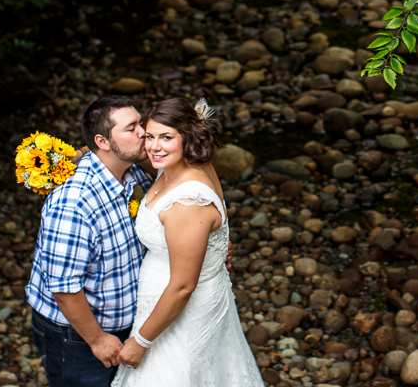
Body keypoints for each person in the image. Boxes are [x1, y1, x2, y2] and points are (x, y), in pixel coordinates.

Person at [111, 98, 264, 387]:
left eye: (166, 138)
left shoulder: (188, 200)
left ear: (188, 138)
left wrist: (142, 341)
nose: (154, 147)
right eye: (149, 136)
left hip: (182, 314)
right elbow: (129, 152)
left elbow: (183, 287)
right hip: (163, 304)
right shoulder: (175, 164)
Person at [26, 95, 153, 387]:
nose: (143, 133)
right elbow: (63, 286)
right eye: (132, 128)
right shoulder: (74, 203)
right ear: (103, 142)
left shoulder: (132, 173)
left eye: (141, 124)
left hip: (127, 324)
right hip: (78, 334)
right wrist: (96, 339)